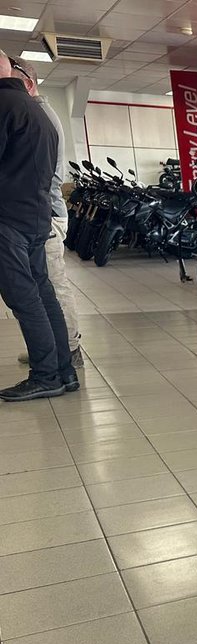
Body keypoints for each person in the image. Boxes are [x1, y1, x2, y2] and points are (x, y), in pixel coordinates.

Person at [0, 49, 75, 400]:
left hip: (8, 221)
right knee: (44, 294)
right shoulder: (39, 111)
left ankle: (46, 375)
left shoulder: (3, 107)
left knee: (25, 298)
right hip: (35, 217)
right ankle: (64, 370)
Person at [11, 56, 83, 369]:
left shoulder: (39, 115)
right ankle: (50, 348)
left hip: (46, 216)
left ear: (28, 83)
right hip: (37, 214)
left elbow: (42, 176)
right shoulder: (31, 113)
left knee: (52, 283)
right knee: (40, 287)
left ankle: (70, 349)